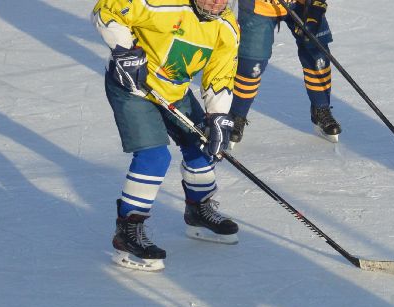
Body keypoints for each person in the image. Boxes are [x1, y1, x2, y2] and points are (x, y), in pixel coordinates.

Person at [93, 0, 241, 272]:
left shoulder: (226, 27)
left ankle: (198, 209)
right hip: (133, 88)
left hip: (174, 91)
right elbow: (107, 10)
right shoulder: (162, 3)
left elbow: (220, 74)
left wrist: (218, 116)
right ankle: (128, 230)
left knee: (203, 146)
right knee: (154, 155)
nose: (216, 2)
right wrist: (124, 50)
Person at [230, 1, 341, 144]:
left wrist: (316, 6)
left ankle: (321, 109)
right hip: (260, 5)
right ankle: (236, 115)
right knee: (252, 65)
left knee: (317, 54)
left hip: (302, 3)